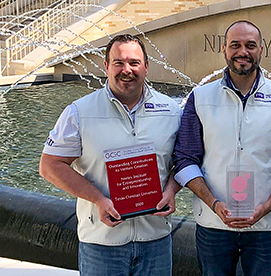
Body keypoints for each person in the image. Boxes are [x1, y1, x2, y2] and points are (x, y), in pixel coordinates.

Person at [39, 34, 181, 276]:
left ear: (146, 67)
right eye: (119, 62)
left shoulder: (171, 111)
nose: (127, 70)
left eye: (134, 62)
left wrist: (171, 190)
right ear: (106, 67)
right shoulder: (79, 112)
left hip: (155, 240)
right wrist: (98, 200)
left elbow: (183, 161)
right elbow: (50, 165)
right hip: (102, 243)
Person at [173, 20, 271, 276]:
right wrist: (213, 203)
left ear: (261, 50)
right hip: (213, 225)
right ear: (224, 49)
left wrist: (268, 205)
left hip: (267, 226)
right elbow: (185, 159)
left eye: (250, 45)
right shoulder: (200, 98)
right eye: (235, 45)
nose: (242, 52)